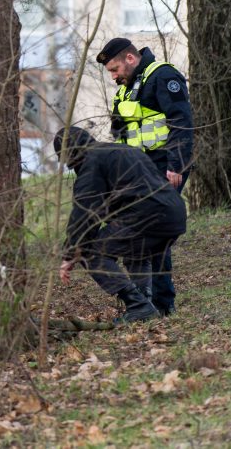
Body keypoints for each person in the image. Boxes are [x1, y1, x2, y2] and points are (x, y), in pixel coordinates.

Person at [95, 38, 193, 316]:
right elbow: (119, 132)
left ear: (130, 58)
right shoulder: (126, 90)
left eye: (115, 70)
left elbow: (181, 123)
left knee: (155, 232)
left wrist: (176, 165)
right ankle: (146, 302)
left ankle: (162, 303)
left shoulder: (163, 76)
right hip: (138, 173)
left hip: (165, 168)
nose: (114, 77)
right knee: (142, 232)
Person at [55, 127, 187, 324]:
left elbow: (85, 215)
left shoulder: (92, 163)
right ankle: (145, 307)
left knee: (91, 252)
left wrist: (71, 253)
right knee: (137, 252)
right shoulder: (122, 150)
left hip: (147, 216)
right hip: (174, 214)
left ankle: (138, 305)